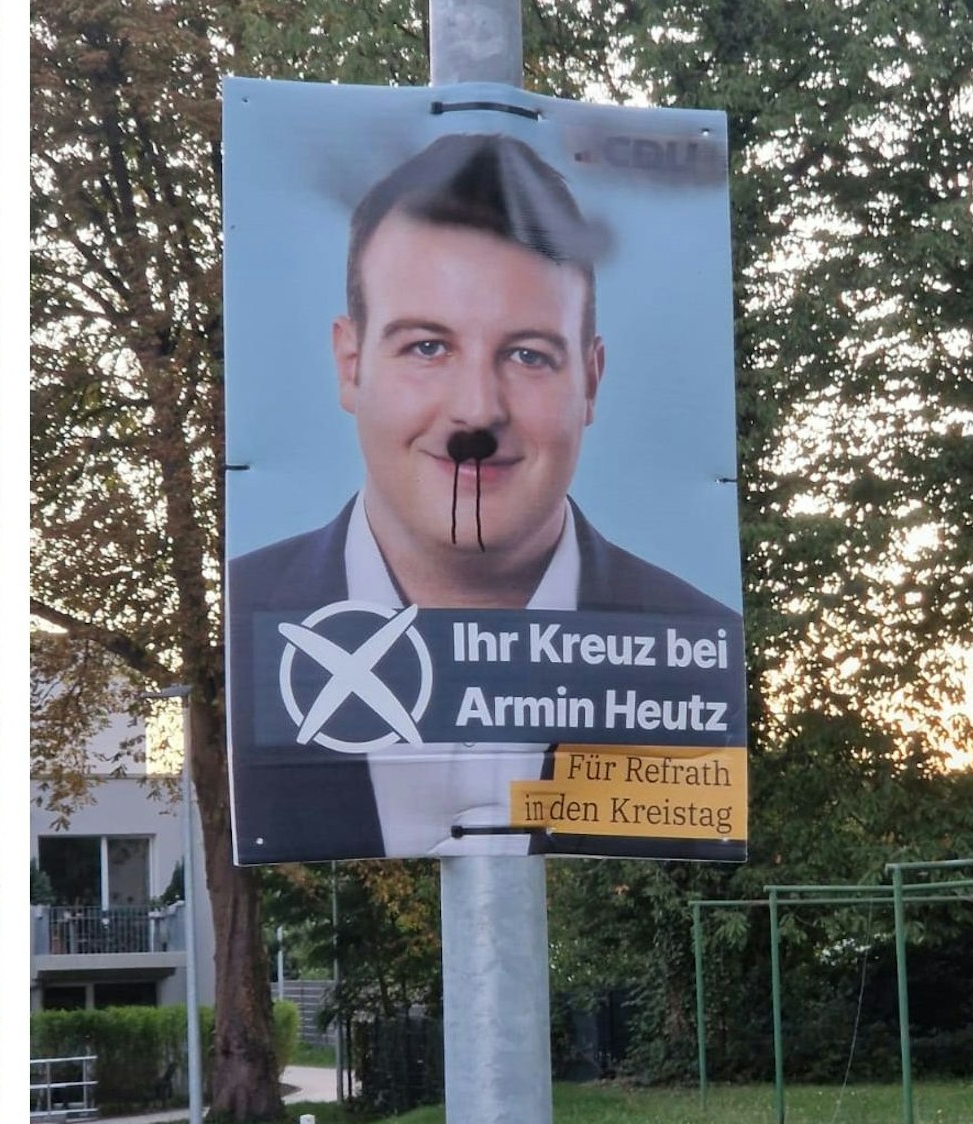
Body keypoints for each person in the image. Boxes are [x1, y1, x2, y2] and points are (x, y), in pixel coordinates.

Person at [227, 133, 740, 860]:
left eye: (529, 355)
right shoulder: (247, 622)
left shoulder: (692, 651)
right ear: (350, 364)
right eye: (426, 347)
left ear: (590, 380)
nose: (476, 410)